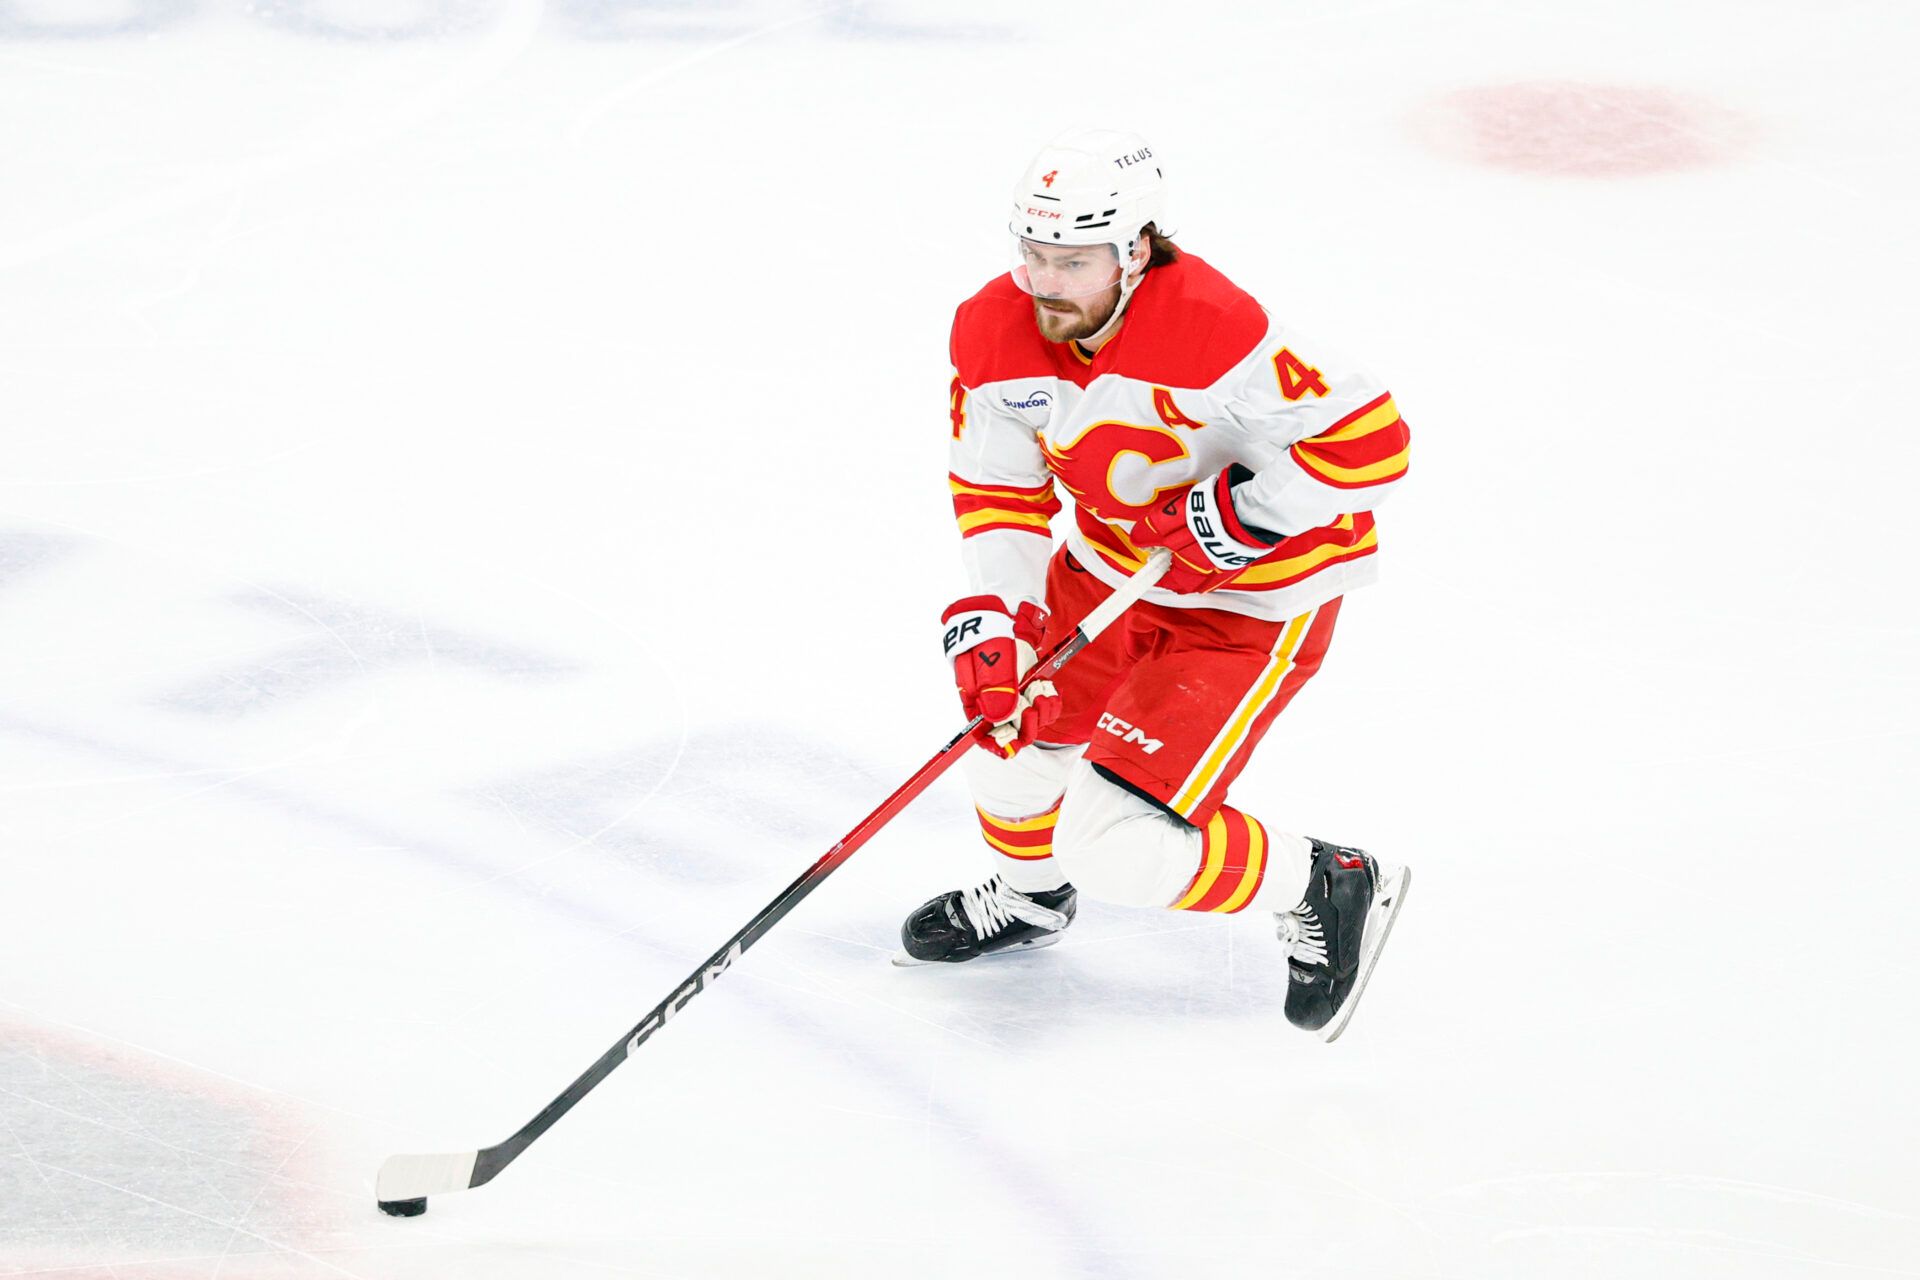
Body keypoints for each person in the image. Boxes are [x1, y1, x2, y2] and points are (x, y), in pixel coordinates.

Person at [897, 127, 1413, 1040]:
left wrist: (1242, 514)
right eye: (1034, 255)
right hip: (1105, 577)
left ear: (1136, 248)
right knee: (1006, 743)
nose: (1047, 282)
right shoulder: (990, 328)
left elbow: (1372, 441)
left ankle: (1326, 881)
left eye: (1075, 260)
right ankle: (1029, 899)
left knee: (1119, 851)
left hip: (1250, 604)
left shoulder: (1215, 329)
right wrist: (1002, 624)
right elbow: (996, 489)